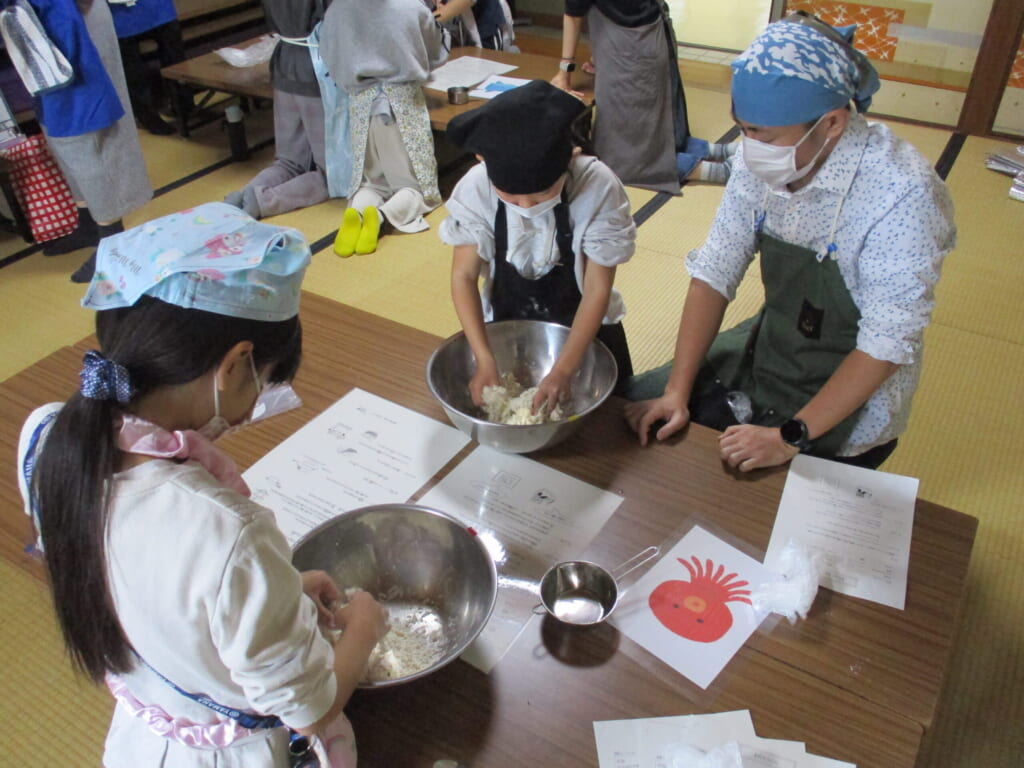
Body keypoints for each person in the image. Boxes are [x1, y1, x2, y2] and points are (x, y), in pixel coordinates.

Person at [17, 203, 388, 767]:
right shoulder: (230, 534)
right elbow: (308, 711)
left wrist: (275, 595)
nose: (258, 403)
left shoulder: (47, 434)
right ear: (236, 364)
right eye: (266, 382)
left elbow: (148, 584)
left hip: (143, 737)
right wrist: (362, 628)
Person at [623, 12, 956, 471]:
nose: (748, 146)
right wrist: (675, 392)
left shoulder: (903, 194)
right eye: (742, 128)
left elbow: (888, 340)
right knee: (634, 412)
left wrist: (788, 438)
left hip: (856, 395)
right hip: (774, 349)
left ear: (832, 123)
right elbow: (716, 270)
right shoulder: (757, 160)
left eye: (764, 134)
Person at [441, 80, 636, 412]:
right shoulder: (477, 187)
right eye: (510, 196)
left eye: (543, 193)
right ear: (483, 162)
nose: (526, 206)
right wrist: (483, 357)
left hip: (590, 333)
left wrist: (562, 371)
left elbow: (597, 288)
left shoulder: (597, 186)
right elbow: (463, 277)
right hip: (505, 332)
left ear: (572, 156)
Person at [15, 0, 153, 282]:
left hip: (72, 17)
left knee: (84, 127)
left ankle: (112, 239)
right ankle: (89, 222)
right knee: (56, 128)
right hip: (36, 18)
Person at [320, 0, 446, 256]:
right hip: (402, 105)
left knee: (372, 183)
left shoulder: (337, 9)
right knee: (416, 188)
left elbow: (327, 56)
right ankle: (379, 217)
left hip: (360, 104)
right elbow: (435, 53)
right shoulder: (411, 8)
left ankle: (356, 212)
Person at [551, 0, 690, 194]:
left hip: (629, 51)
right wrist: (600, 55)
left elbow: (574, 16)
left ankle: (717, 170)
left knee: (624, 159)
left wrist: (564, 72)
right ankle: (719, 152)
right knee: (660, 132)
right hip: (651, 36)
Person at [224, 0, 331, 220]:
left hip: (284, 61)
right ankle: (264, 201)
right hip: (316, 67)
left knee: (288, 162)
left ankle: (244, 195)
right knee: (332, 174)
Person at [109, 0, 185, 136]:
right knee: (133, 71)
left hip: (157, 6)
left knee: (174, 54)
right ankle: (148, 117)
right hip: (118, 12)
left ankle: (184, 104)